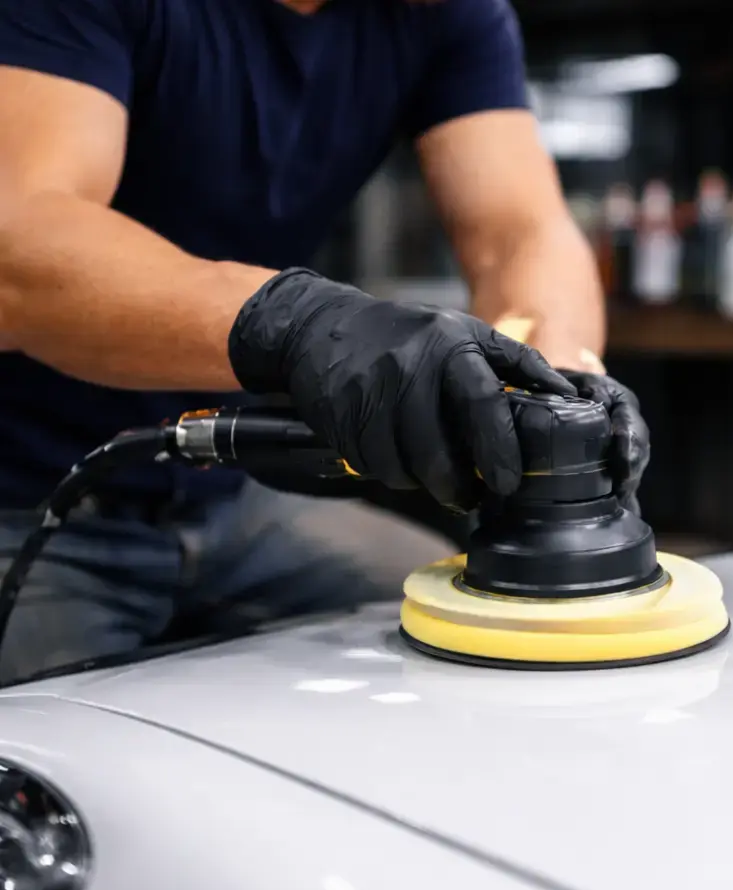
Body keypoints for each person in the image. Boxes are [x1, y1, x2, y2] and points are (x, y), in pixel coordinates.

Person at [0, 0, 650, 683]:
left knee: (474, 654)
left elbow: (521, 230)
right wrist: (299, 324)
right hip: (27, 496)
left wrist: (560, 380)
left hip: (226, 497)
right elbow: (16, 245)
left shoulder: (447, 13)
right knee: (70, 767)